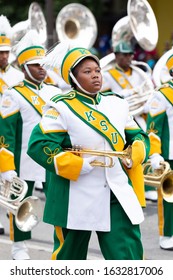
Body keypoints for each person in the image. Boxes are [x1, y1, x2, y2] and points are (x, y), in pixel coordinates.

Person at [27, 47, 150, 260]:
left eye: (98, 70)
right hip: (75, 196)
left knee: (128, 257)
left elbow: (139, 136)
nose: (95, 75)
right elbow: (39, 144)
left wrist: (135, 153)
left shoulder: (117, 103)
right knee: (69, 260)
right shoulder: (60, 107)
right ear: (74, 77)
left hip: (116, 192)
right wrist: (73, 164)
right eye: (87, 71)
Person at [0, 29, 62, 259]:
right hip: (23, 159)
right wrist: (6, 166)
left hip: (51, 157)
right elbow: (5, 135)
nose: (42, 68)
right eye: (36, 65)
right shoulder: (13, 95)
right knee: (19, 204)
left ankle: (61, 246)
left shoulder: (55, 93)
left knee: (58, 204)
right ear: (25, 67)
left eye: (43, 64)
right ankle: (18, 247)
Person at [101, 40, 157, 202]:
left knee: (143, 149)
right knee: (127, 153)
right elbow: (101, 98)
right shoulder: (108, 74)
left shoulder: (140, 73)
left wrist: (147, 103)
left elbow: (147, 92)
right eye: (123, 55)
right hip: (119, 119)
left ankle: (146, 185)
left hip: (139, 116)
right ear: (116, 56)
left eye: (129, 54)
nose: (127, 58)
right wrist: (119, 96)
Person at [0, 14, 24, 235]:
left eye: (6, 52)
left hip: (12, 130)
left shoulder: (18, 76)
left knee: (9, 175)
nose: (4, 56)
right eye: (0, 53)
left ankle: (9, 211)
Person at [146, 53, 173, 250]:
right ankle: (167, 234)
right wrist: (155, 153)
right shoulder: (161, 94)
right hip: (170, 155)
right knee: (169, 197)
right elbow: (153, 129)